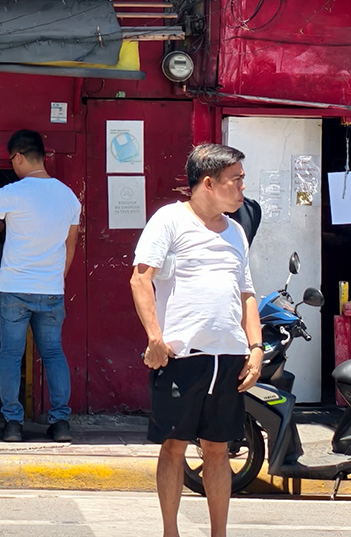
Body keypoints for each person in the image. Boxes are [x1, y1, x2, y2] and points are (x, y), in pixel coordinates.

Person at [129, 143, 263, 537]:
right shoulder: (169, 220)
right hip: (183, 357)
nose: (242, 188)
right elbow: (140, 278)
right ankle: (171, 532)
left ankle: (218, 533)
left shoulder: (236, 230)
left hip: (228, 357)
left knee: (218, 449)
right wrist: (155, 338)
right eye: (235, 180)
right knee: (174, 446)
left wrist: (254, 348)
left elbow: (247, 294)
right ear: (208, 183)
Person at [0, 129, 81, 443]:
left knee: (10, 356)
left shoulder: (12, 193)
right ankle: (60, 424)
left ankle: (13, 425)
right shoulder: (68, 196)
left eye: (11, 160)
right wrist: (57, 279)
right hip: (50, 289)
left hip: (14, 288)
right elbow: (70, 246)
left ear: (18, 157)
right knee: (53, 354)